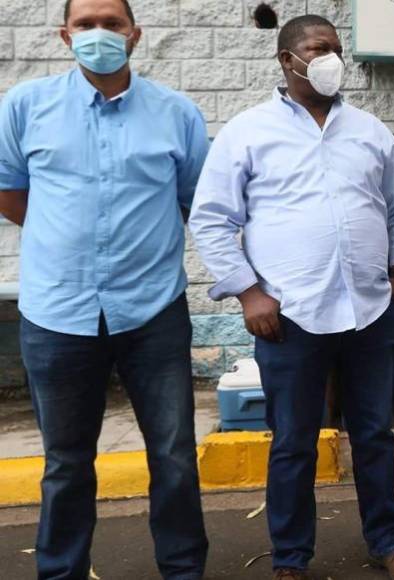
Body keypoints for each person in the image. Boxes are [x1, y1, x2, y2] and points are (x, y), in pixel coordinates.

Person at [188, 15, 394, 580]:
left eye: (338, 49)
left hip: (371, 310)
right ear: (287, 59)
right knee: (294, 442)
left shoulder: (370, 131)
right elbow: (212, 219)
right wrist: (249, 292)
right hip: (289, 316)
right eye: (320, 48)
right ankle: (291, 559)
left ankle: (387, 542)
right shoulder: (248, 132)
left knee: (374, 435)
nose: (332, 59)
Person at [0, 0, 210, 578]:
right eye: (86, 24)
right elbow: (10, 193)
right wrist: (65, 239)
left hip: (153, 310)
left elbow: (195, 200)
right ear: (64, 35)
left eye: (112, 24)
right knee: (66, 462)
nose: (100, 34)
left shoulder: (177, 113)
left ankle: (183, 569)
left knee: (173, 455)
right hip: (57, 312)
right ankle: (61, 571)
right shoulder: (24, 106)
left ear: (134, 35)